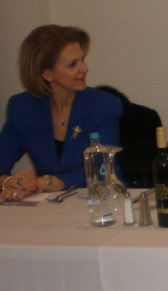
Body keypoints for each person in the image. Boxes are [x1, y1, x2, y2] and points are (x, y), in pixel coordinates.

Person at [0, 25, 122, 202]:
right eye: (73, 64)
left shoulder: (103, 105)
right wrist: (11, 182)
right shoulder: (22, 108)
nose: (84, 68)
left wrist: (45, 182)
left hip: (101, 201)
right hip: (48, 207)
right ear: (48, 74)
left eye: (82, 60)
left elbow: (104, 170)